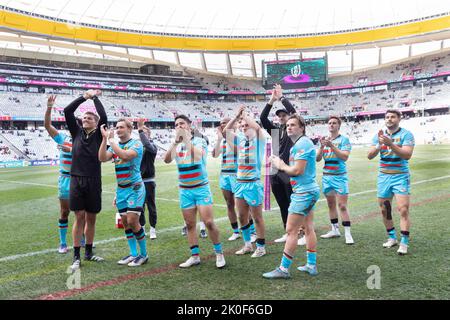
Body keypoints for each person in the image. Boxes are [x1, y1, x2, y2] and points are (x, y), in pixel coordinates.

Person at [164, 114, 225, 269]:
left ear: (189, 126)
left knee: (209, 222)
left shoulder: (199, 140)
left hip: (201, 188)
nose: (179, 126)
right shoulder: (176, 144)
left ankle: (219, 253)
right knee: (190, 224)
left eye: (182, 124)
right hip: (185, 190)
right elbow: (166, 159)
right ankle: (195, 256)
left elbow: (198, 157)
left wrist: (185, 139)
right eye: (176, 124)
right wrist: (174, 143)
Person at [263, 114, 320, 279]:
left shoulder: (302, 143)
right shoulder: (301, 143)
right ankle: (311, 264)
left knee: (291, 230)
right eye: (287, 125)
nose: (289, 127)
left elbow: (297, 171)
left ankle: (283, 269)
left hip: (304, 193)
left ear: (302, 128)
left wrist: (280, 165)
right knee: (309, 227)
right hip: (308, 191)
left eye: (293, 125)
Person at [64, 89, 107, 271]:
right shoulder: (76, 133)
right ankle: (76, 256)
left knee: (91, 218)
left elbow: (103, 116)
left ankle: (88, 253)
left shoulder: (98, 134)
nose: (85, 119)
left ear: (96, 123)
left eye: (90, 118)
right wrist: (84, 97)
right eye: (84, 118)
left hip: (94, 180)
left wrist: (95, 98)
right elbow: (67, 111)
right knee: (79, 216)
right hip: (76, 180)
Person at [99, 119, 148, 266]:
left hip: (135, 188)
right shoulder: (114, 145)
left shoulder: (136, 144)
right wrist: (104, 139)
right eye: (116, 127)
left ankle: (144, 254)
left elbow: (125, 156)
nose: (118, 129)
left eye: (121, 127)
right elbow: (101, 158)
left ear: (129, 129)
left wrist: (111, 140)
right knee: (126, 223)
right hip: (121, 189)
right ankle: (133, 254)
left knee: (133, 221)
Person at [260, 84, 304, 245]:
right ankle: (288, 230)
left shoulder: (294, 133)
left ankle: (301, 231)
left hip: (289, 171)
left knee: (294, 202)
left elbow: (294, 113)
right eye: (279, 116)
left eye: (284, 115)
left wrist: (282, 97)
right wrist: (271, 100)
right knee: (282, 203)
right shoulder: (276, 131)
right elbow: (263, 118)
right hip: (274, 172)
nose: (281, 117)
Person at [367, 109, 415, 255]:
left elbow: (407, 155)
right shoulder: (379, 136)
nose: (389, 119)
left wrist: (390, 144)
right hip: (384, 177)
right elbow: (369, 156)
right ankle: (392, 237)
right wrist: (379, 145)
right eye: (387, 117)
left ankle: (404, 243)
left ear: (399, 119)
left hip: (400, 177)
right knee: (385, 210)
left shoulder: (406, 134)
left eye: (393, 117)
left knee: (403, 209)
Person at [224, 106, 268, 258]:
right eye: (242, 126)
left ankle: (261, 247)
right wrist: (237, 116)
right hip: (239, 183)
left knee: (257, 217)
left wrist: (245, 115)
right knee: (242, 216)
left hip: (253, 183)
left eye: (246, 125)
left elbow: (256, 127)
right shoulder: (241, 139)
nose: (243, 128)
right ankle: (248, 244)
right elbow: (226, 132)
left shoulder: (260, 138)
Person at [316, 116, 354, 244]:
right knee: (331, 205)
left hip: (339, 177)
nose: (331, 125)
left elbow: (344, 157)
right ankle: (334, 229)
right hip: (327, 177)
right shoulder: (324, 140)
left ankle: (348, 233)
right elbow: (317, 159)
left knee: (342, 205)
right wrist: (321, 147)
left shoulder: (344, 140)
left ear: (339, 126)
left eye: (334, 123)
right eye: (329, 123)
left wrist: (331, 145)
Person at [44, 95, 72, 254]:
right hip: (66, 179)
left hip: (80, 179)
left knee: (81, 212)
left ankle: (82, 239)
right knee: (65, 211)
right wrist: (49, 107)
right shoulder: (63, 138)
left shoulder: (84, 139)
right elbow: (47, 125)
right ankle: (62, 243)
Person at [212, 118, 241, 241]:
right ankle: (235, 231)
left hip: (237, 174)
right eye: (221, 123)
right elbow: (214, 154)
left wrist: (227, 136)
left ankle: (251, 231)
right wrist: (219, 139)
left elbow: (238, 151)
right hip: (224, 175)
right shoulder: (222, 140)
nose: (222, 125)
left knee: (242, 205)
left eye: (225, 122)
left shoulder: (238, 136)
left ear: (234, 124)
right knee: (229, 204)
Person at [136, 119, 158, 240]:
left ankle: (153, 229)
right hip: (138, 180)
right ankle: (143, 227)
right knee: (140, 207)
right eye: (141, 133)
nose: (142, 135)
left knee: (151, 206)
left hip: (149, 181)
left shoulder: (152, 146)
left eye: (144, 133)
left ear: (148, 135)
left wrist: (140, 130)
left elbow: (147, 145)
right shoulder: (137, 147)